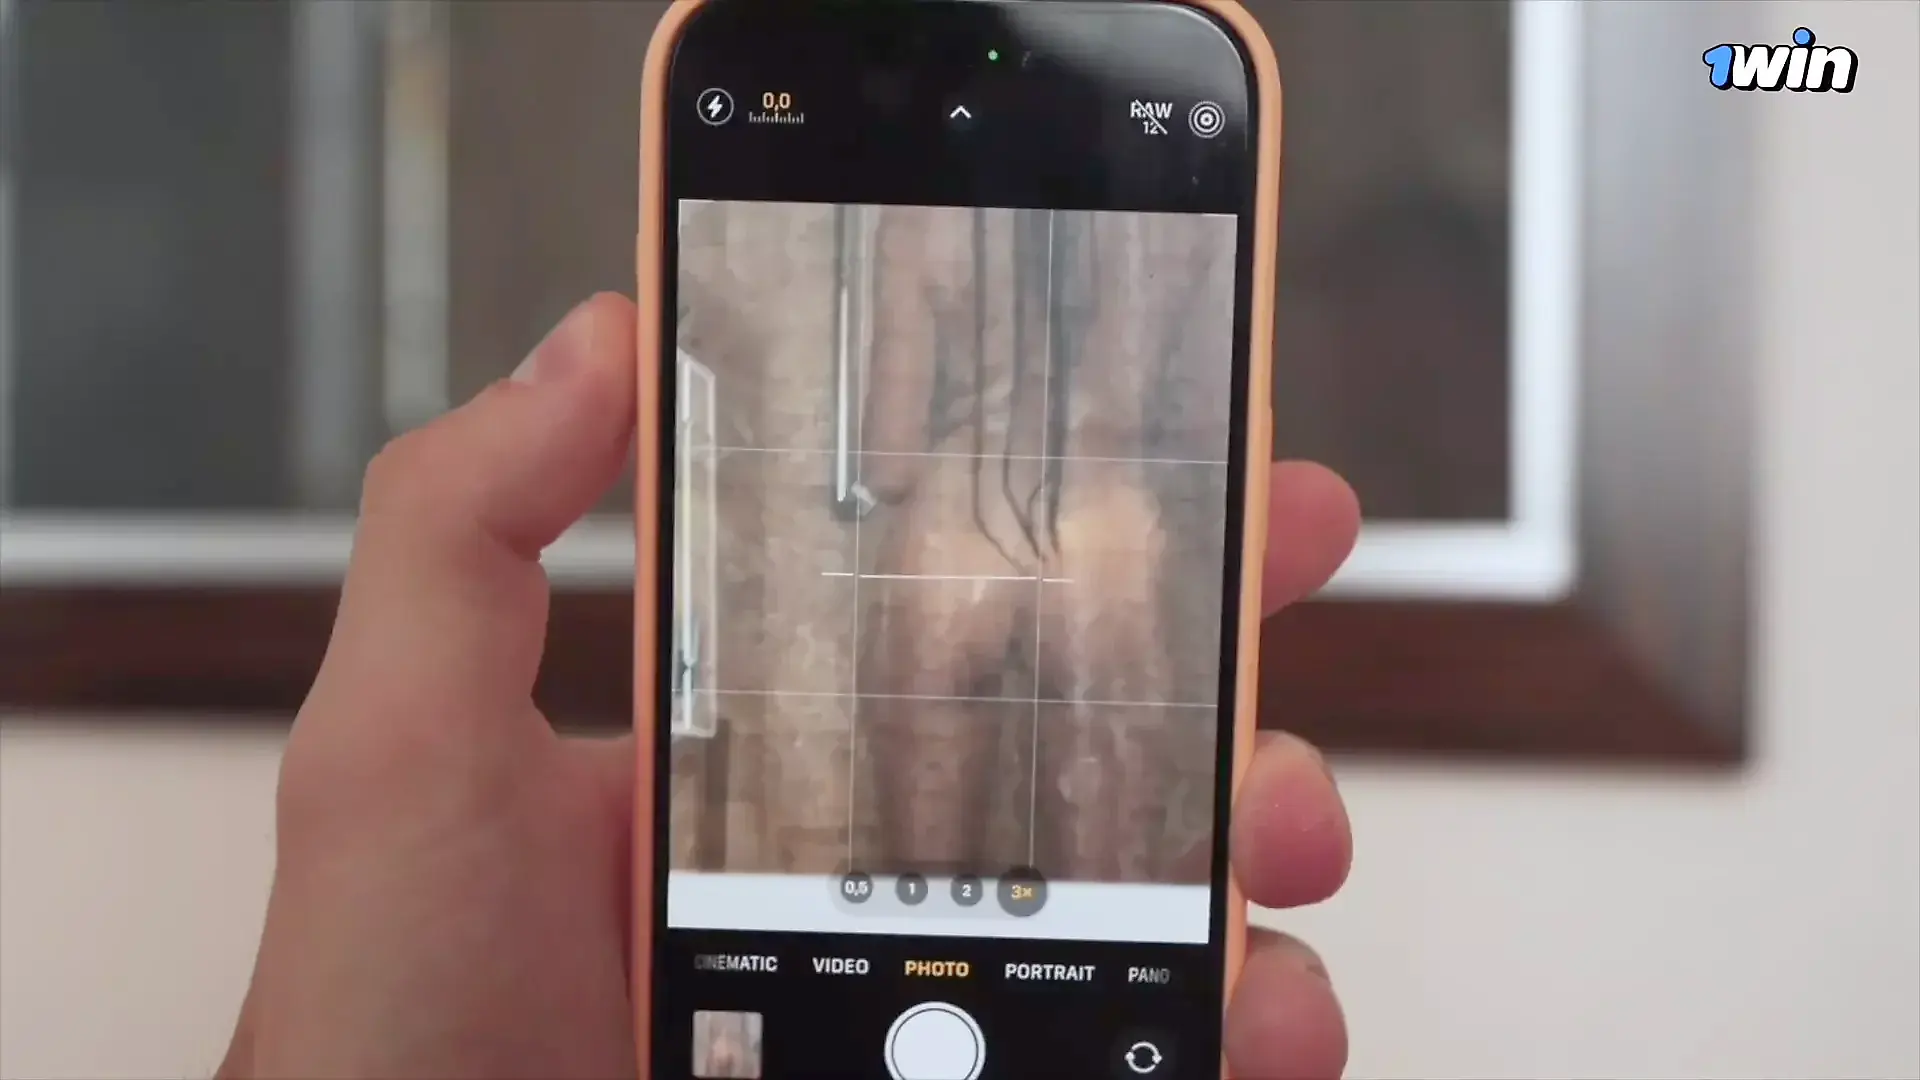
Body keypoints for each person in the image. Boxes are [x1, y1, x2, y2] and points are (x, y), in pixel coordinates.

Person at [215, 293, 1360, 1080]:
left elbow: (903, 447)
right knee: (1116, 886)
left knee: (972, 868)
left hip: (964, 545)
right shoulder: (1140, 273)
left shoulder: (931, 277)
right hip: (1070, 539)